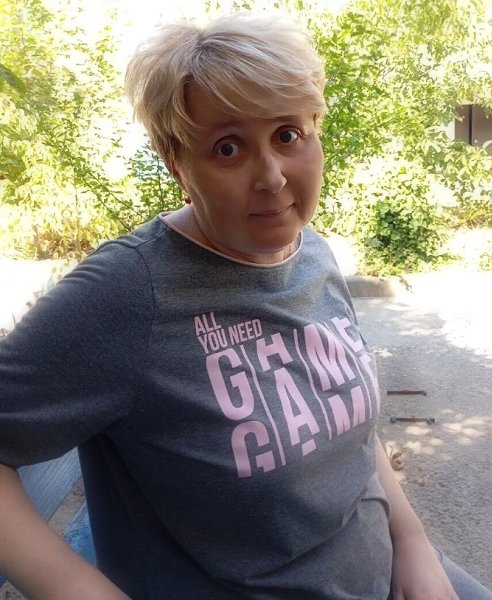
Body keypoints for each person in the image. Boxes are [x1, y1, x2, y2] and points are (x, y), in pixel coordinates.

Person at [0, 11, 490, 600]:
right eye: (228, 148)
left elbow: (353, 432)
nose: (273, 178)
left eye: (288, 135)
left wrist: (411, 542)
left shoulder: (312, 252)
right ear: (177, 163)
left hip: (390, 570)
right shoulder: (128, 293)